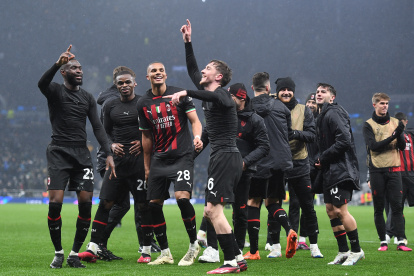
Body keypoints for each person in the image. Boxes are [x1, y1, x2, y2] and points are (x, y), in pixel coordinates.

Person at [167, 19, 245, 274]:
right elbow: (193, 72)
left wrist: (185, 93)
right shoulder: (211, 94)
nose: (203, 71)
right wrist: (188, 43)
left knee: (212, 210)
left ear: (218, 77)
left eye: (209, 68)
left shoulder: (223, 93)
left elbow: (209, 95)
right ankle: (237, 259)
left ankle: (231, 261)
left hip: (226, 157)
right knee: (213, 210)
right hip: (221, 156)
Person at [38, 45, 115, 269]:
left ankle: (73, 253)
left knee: (85, 203)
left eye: (80, 68)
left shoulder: (88, 98)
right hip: (59, 151)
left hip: (81, 153)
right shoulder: (54, 91)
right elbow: (41, 84)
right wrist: (56, 63)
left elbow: (98, 127)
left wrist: (108, 152)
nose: (79, 71)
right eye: (74, 68)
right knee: (55, 203)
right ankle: (58, 252)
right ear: (64, 71)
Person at [79, 67, 161, 264]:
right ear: (115, 86)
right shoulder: (109, 105)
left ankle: (147, 251)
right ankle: (92, 248)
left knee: (143, 206)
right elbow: (103, 131)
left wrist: (142, 143)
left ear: (135, 83)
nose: (124, 86)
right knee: (105, 203)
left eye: (127, 82)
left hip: (140, 163)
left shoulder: (144, 103)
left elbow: (157, 131)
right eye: (120, 83)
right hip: (116, 164)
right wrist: (110, 145)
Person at [137, 61, 203, 266]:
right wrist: (147, 167)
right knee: (153, 205)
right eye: (153, 71)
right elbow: (146, 138)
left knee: (182, 199)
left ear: (166, 75)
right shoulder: (143, 103)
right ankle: (165, 252)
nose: (158, 73)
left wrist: (198, 137)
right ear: (147, 77)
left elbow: (195, 120)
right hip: (159, 158)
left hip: (182, 156)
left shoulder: (180, 95)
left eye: (161, 71)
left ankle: (194, 246)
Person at [196, 83, 270, 264]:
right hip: (220, 166)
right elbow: (206, 135)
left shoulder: (255, 120)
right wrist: (191, 155)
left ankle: (236, 250)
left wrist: (245, 162)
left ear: (242, 99)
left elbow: (264, 146)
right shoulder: (222, 113)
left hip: (243, 171)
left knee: (240, 212)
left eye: (232, 98)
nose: (227, 100)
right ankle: (212, 249)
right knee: (212, 208)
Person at [243, 72, 297, 260]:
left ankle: (254, 251)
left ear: (252, 88)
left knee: (253, 202)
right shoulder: (282, 108)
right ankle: (290, 230)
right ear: (268, 88)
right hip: (281, 161)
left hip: (259, 162)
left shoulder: (248, 107)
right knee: (273, 203)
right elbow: (289, 134)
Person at [314, 83, 364, 265]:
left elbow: (344, 140)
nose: (319, 94)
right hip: (330, 170)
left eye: (323, 92)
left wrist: (323, 157)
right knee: (330, 211)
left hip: (341, 169)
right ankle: (343, 251)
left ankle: (356, 250)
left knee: (340, 211)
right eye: (317, 91)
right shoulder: (323, 115)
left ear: (332, 97)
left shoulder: (334, 112)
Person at [274, 78, 322, 258]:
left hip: (300, 163)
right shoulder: (271, 108)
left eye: (289, 89)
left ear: (294, 91)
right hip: (277, 163)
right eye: (282, 90)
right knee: (275, 204)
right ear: (277, 91)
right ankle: (275, 246)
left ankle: (314, 246)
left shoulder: (304, 110)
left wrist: (293, 134)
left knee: (308, 206)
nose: (286, 92)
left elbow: (312, 135)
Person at [362, 93, 412, 252]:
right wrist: (394, 136)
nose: (385, 106)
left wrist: (400, 134)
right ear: (374, 105)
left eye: (386, 104)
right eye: (381, 103)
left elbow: (402, 146)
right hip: (377, 171)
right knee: (379, 207)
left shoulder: (396, 123)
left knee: (397, 207)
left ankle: (400, 242)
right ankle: (383, 241)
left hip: (395, 170)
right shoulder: (368, 125)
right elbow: (374, 147)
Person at [384, 112, 414, 245]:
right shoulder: (391, 136)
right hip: (398, 175)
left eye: (402, 122)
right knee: (397, 206)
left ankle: (393, 234)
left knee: (396, 207)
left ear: (406, 122)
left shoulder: (411, 135)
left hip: (412, 175)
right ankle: (393, 234)